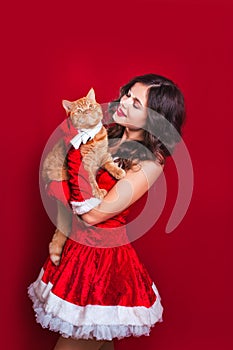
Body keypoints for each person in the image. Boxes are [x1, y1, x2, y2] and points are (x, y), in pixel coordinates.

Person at [28, 73, 186, 350]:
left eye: (136, 103)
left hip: (101, 260)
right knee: (101, 344)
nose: (124, 102)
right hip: (78, 248)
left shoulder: (149, 162)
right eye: (128, 94)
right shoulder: (109, 133)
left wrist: (63, 181)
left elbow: (93, 215)